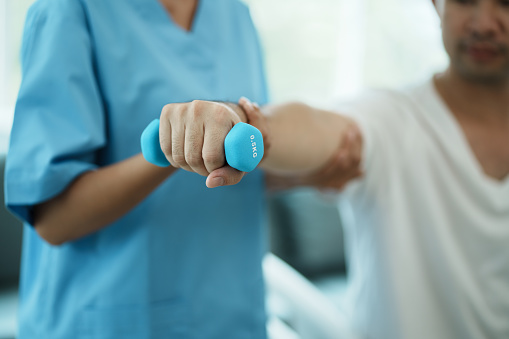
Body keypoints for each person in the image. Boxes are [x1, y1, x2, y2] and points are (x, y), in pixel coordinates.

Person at [155, 0, 509, 338]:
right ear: (437, 5)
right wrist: (241, 121)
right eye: (464, 1)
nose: (483, 24)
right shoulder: (393, 118)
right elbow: (312, 126)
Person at [4, 0, 278, 337]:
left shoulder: (233, 11)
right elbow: (52, 217)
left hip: (230, 316)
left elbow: (246, 160)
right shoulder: (69, 10)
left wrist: (317, 171)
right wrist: (173, 150)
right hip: (114, 321)